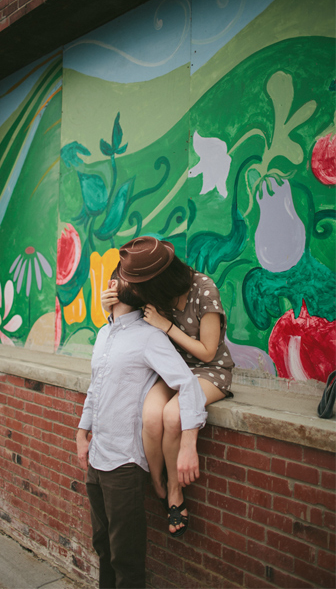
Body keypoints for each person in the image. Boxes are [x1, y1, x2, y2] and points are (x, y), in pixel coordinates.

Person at [76, 264, 207, 588]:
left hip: (124, 463)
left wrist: (189, 441)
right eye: (124, 276)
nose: (128, 281)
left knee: (126, 559)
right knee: (103, 548)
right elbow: (95, 386)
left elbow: (188, 385)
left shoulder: (150, 337)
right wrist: (81, 433)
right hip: (96, 457)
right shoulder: (105, 333)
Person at [101, 236, 233, 537]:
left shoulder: (204, 289)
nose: (134, 289)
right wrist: (106, 307)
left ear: (157, 280)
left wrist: (166, 326)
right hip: (173, 369)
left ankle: (175, 492)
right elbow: (123, 323)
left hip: (210, 371)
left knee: (174, 415)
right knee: (150, 415)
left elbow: (209, 352)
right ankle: (158, 483)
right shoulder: (155, 292)